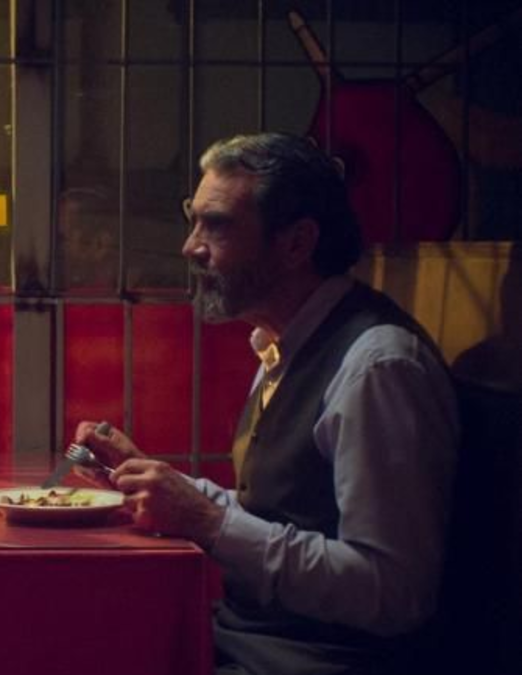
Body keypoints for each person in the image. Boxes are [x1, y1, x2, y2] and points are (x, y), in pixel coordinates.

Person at [75, 133, 458, 675]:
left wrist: (208, 521)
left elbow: (393, 593)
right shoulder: (287, 343)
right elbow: (283, 514)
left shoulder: (377, 367)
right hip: (248, 644)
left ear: (297, 243)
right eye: (192, 220)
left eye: (217, 225)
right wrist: (154, 481)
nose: (190, 247)